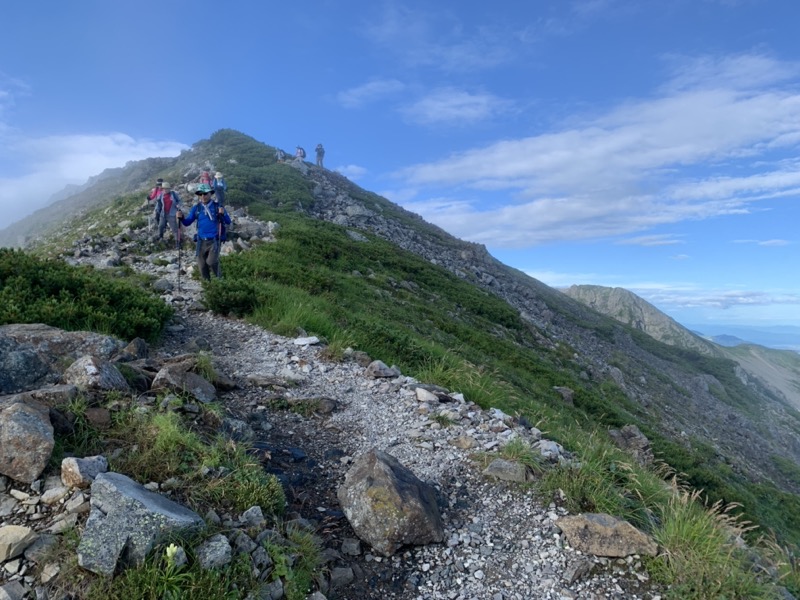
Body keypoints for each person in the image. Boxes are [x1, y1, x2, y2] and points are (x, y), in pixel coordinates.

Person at [176, 183, 231, 280]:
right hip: (201, 240)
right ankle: (207, 287)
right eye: (200, 194)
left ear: (210, 194)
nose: (203, 196)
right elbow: (187, 222)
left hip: (214, 240)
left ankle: (221, 282)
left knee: (211, 262)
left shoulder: (217, 207)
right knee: (202, 266)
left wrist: (223, 214)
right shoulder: (196, 208)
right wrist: (181, 217)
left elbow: (228, 221)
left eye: (205, 194)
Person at [153, 182, 182, 247]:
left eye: (167, 189)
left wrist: (178, 205)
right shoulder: (161, 195)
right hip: (163, 214)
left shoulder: (174, 194)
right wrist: (156, 210)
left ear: (169, 189)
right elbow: (159, 204)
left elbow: (179, 201)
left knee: (174, 228)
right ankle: (160, 236)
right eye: (164, 189)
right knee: (160, 226)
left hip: (172, 214)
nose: (165, 190)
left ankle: (177, 242)